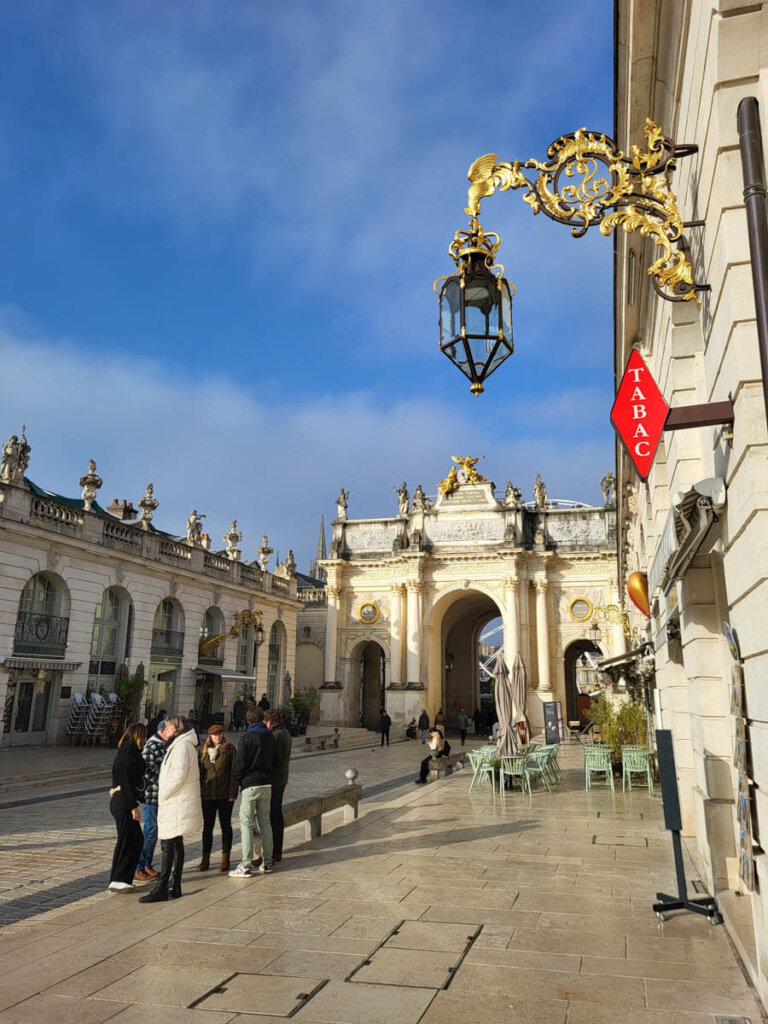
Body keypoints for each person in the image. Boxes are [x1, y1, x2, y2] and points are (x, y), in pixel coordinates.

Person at [139, 716, 202, 903]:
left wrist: (164, 793)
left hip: (174, 801)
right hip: (176, 801)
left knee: (169, 844)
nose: (164, 730)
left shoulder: (182, 746)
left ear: (177, 728)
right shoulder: (182, 743)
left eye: (167, 727)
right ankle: (175, 885)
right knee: (175, 844)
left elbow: (178, 775)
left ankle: (163, 887)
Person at [229, 707, 277, 878]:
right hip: (267, 784)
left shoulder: (247, 738)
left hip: (250, 784)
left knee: (247, 824)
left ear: (248, 720)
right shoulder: (270, 737)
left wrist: (239, 779)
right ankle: (268, 861)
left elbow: (239, 763)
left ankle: (246, 864)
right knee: (265, 822)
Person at [135, 717, 176, 881]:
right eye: (171, 731)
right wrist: (165, 778)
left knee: (154, 830)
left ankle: (147, 864)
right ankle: (139, 866)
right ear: (162, 731)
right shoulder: (152, 746)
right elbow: (146, 770)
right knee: (150, 830)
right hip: (152, 794)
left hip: (162, 794)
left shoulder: (164, 745)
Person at [107, 722, 147, 893]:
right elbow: (126, 781)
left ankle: (118, 878)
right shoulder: (128, 753)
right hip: (124, 801)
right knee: (132, 839)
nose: (145, 740)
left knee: (128, 839)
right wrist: (133, 806)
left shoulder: (127, 750)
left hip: (122, 799)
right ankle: (120, 878)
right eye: (144, 736)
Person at [197, 724, 238, 873]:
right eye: (215, 734)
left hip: (224, 794)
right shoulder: (203, 752)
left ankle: (225, 858)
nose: (218, 736)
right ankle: (205, 859)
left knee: (225, 825)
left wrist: (233, 793)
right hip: (207, 795)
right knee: (207, 827)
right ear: (210, 736)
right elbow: (200, 773)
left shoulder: (230, 749)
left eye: (220, 733)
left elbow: (235, 773)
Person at [266, 707, 292, 865]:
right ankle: (276, 850)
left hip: (276, 779)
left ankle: (274, 850)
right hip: (281, 778)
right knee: (276, 814)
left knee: (272, 815)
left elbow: (274, 758)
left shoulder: (277, 735)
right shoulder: (285, 732)